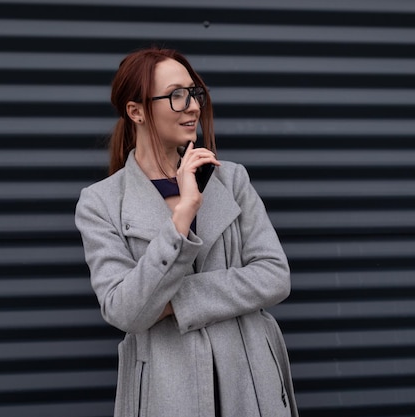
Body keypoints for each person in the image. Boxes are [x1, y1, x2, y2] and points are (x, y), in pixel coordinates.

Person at [75, 46, 298, 417]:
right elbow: (124, 311)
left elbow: (275, 276)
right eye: (176, 96)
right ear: (136, 111)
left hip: (250, 381)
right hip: (165, 391)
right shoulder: (101, 202)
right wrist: (183, 218)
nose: (193, 106)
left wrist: (173, 302)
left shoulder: (230, 179)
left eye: (194, 93)